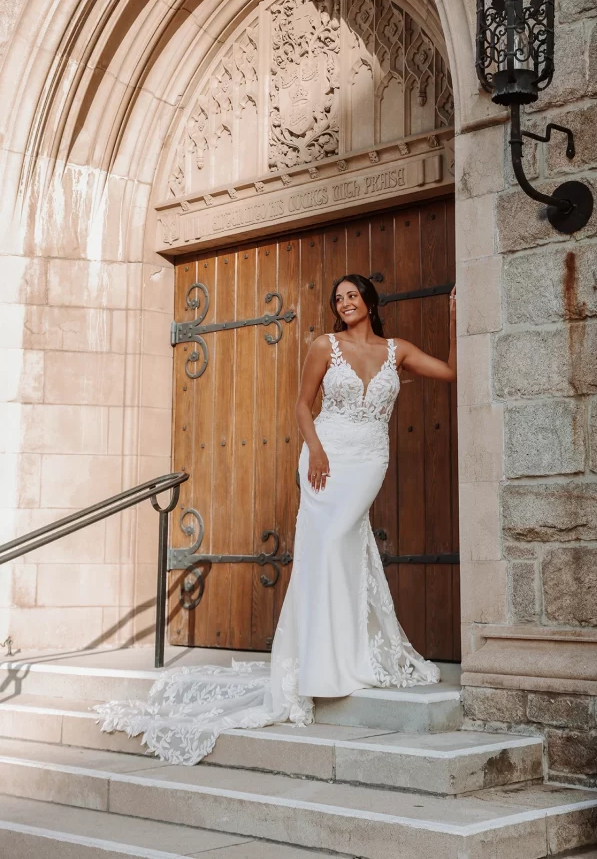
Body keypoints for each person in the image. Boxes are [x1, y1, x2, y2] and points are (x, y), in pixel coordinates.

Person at [96, 275, 457, 765]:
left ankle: (348, 657)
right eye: (338, 298)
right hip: (325, 456)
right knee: (326, 548)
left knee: (344, 547)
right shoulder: (322, 345)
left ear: (370, 302)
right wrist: (316, 451)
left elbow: (453, 372)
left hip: (370, 457)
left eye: (353, 295)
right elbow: (302, 406)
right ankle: (320, 664)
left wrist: (456, 322)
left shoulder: (399, 350)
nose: (345, 303)